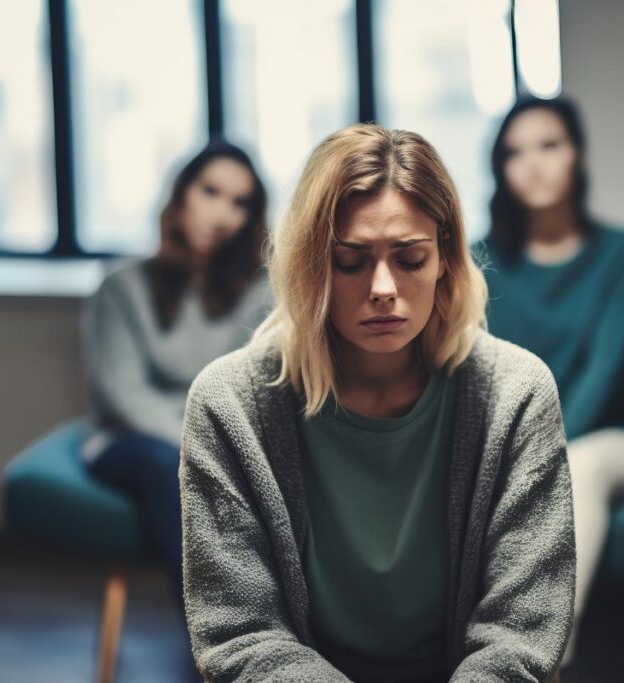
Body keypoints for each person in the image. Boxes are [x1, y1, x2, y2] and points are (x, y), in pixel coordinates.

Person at [179, 124, 575, 682]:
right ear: (310, 267)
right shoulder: (230, 405)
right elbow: (240, 632)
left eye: (410, 259)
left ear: (444, 261)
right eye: (350, 261)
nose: (383, 287)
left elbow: (521, 632)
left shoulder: (516, 393)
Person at [479, 96, 624, 663]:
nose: (533, 163)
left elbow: (604, 372)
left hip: (616, 437)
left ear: (577, 155)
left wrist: (535, 457)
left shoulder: (622, 254)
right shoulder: (478, 258)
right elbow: (474, 376)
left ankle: (545, 656)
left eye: (549, 146)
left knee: (577, 467)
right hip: (512, 442)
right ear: (500, 169)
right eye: (516, 152)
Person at [83, 140, 270, 603]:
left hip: (228, 440)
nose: (223, 213)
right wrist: (206, 449)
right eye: (211, 191)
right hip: (134, 440)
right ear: (181, 195)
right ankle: (217, 640)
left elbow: (258, 389)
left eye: (240, 202)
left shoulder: (264, 293)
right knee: (172, 468)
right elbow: (125, 394)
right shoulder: (122, 286)